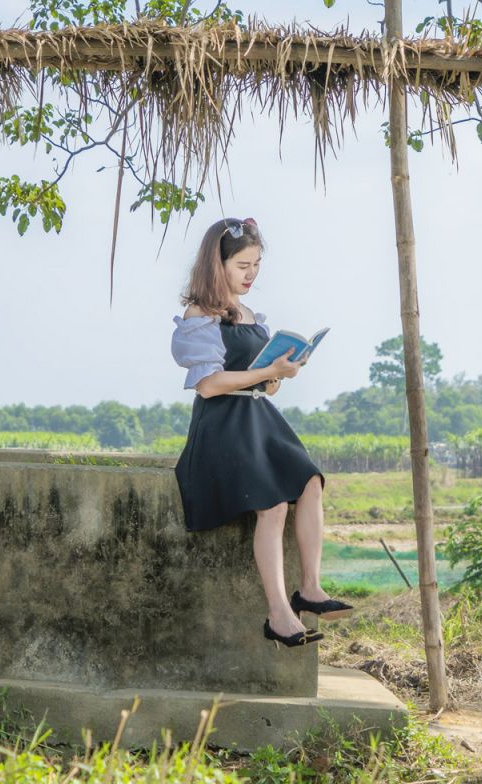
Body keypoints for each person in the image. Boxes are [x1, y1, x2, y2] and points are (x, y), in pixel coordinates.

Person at [169, 216, 353, 648]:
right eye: (242, 266)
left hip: (258, 416)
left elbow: (262, 383)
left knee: (309, 480)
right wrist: (270, 370)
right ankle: (278, 614)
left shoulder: (253, 316)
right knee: (272, 506)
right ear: (217, 265)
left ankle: (310, 587)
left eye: (256, 265)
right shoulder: (200, 315)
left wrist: (280, 374)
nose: (251, 274)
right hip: (222, 425)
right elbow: (209, 384)